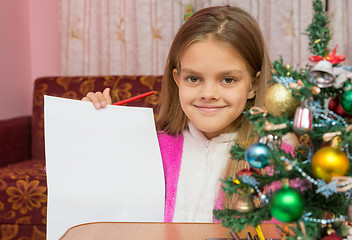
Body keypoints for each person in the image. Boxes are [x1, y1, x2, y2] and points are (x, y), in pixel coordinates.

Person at [82, 5, 272, 223]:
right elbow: (82, 185)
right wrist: (90, 128)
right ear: (177, 79)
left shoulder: (274, 161)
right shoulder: (150, 150)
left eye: (228, 79)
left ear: (253, 85)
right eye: (194, 78)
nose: (208, 94)